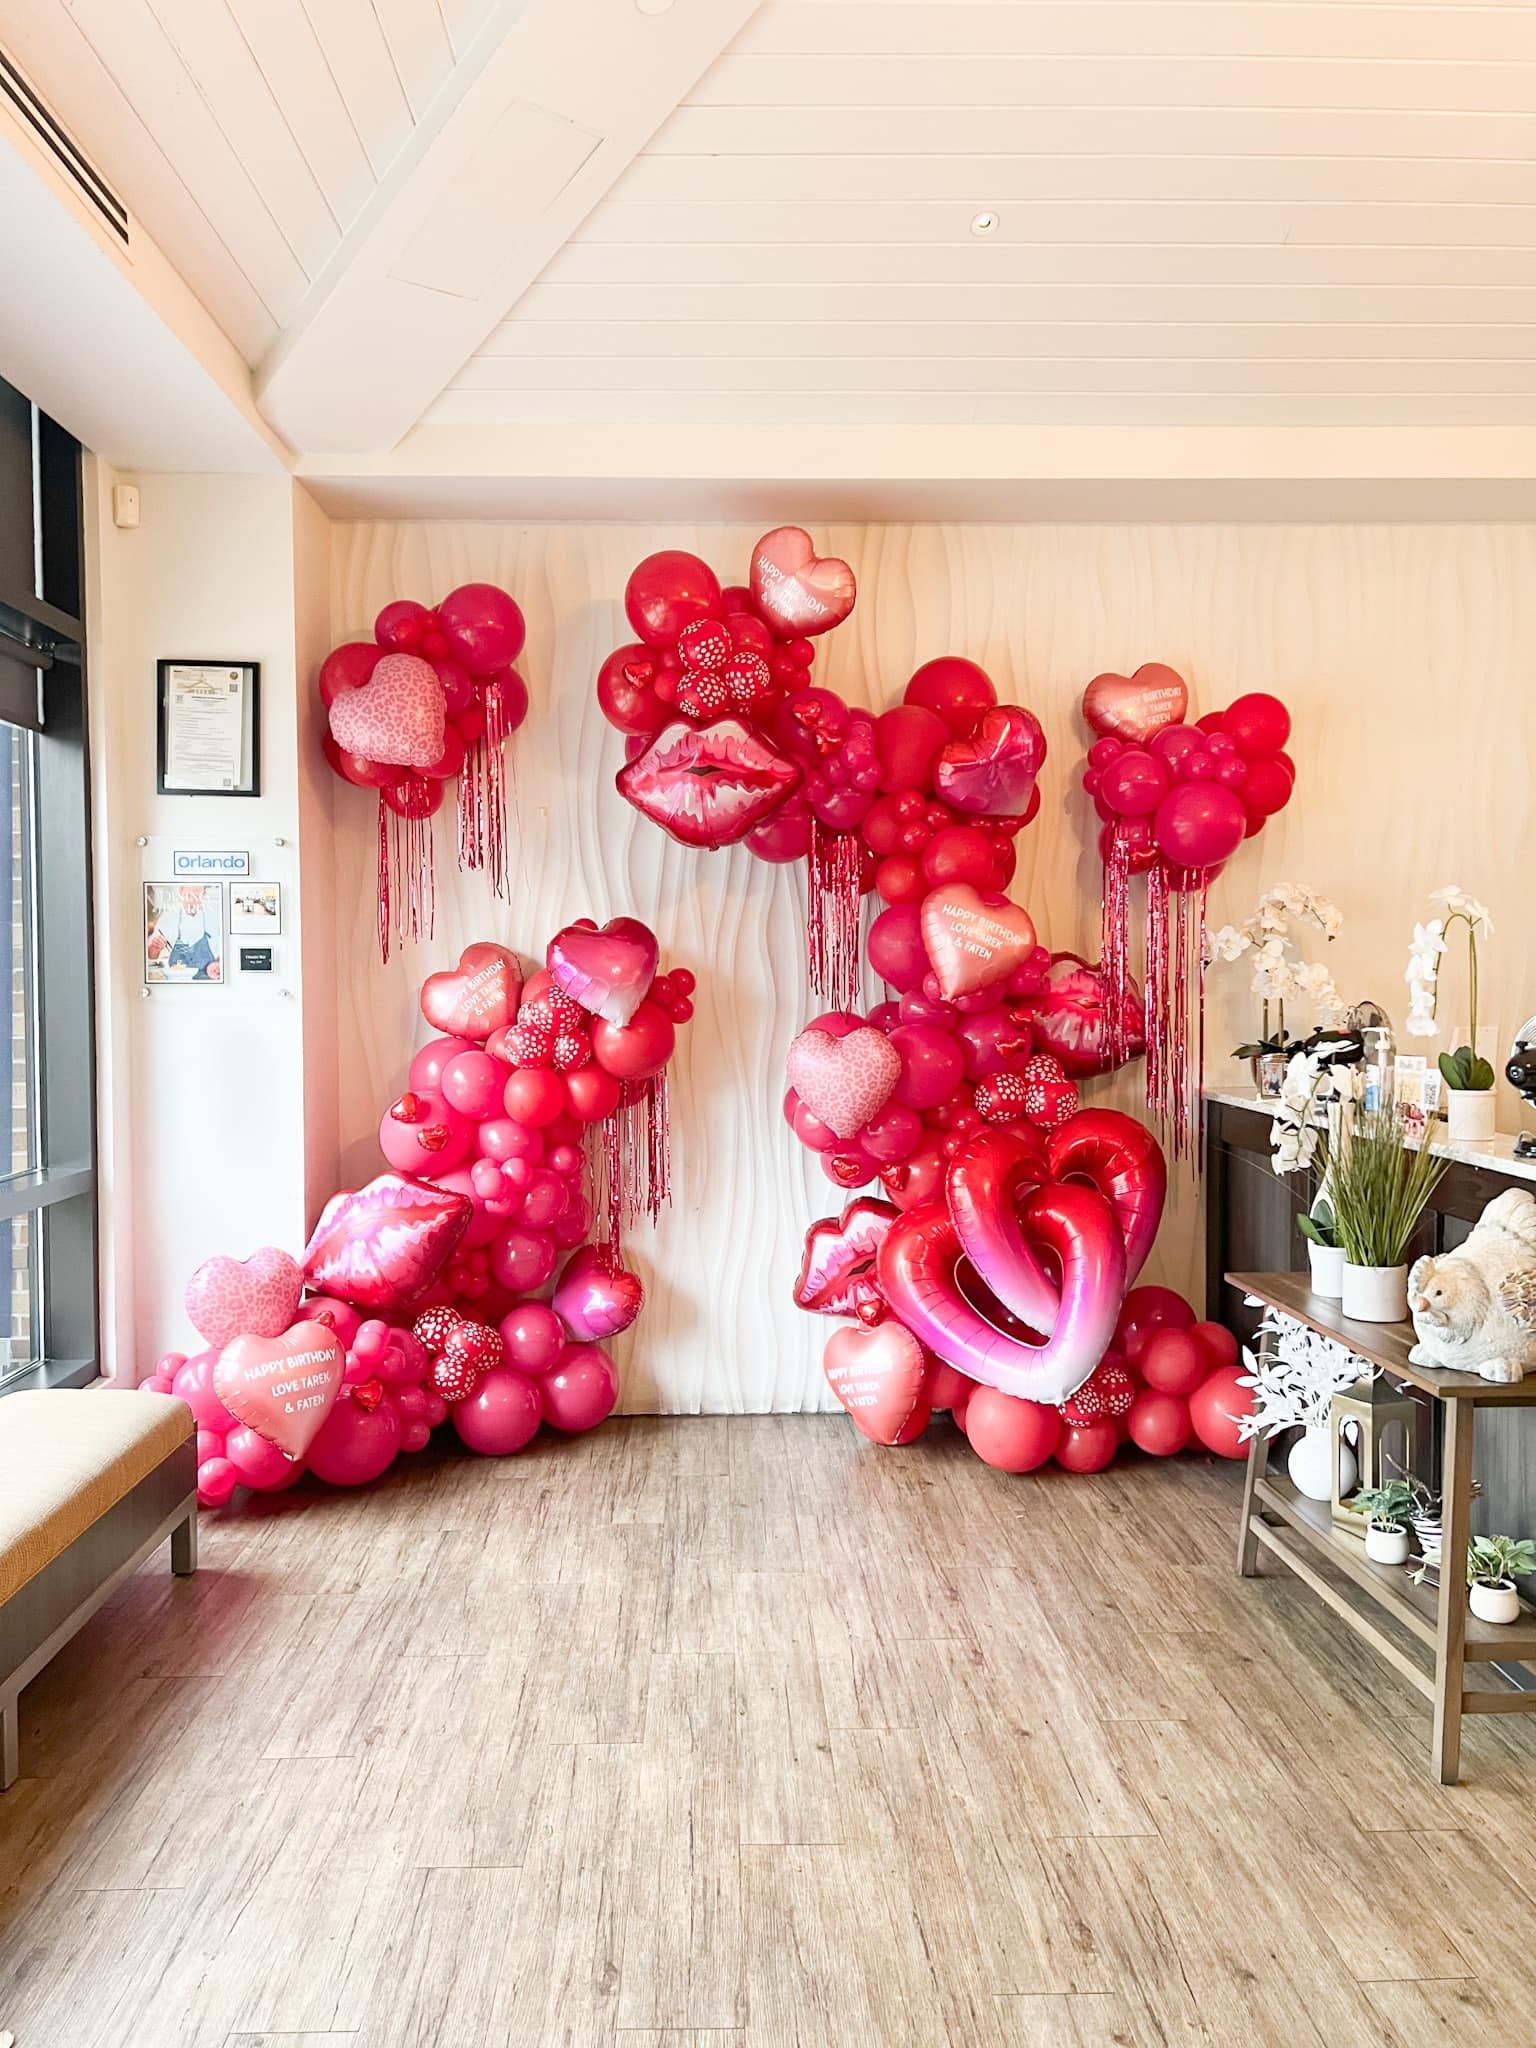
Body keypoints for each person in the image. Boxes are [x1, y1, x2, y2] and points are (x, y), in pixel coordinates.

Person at [147, 885, 221, 981]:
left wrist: (218, 965)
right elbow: (151, 955)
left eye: (197, 896)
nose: (192, 901)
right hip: (177, 982)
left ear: (204, 895)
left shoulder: (213, 917)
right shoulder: (168, 917)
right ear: (181, 892)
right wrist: (155, 947)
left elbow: (225, 952)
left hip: (207, 980)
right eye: (189, 896)